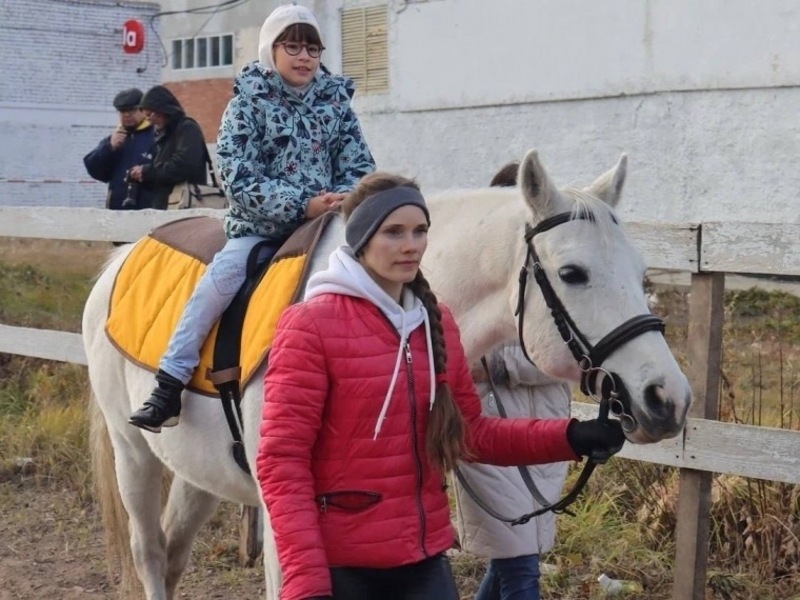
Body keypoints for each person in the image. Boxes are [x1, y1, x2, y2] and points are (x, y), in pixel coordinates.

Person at [256, 172, 626, 600]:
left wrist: (572, 437)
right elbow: (282, 463)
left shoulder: (436, 323)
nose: (411, 245)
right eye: (393, 232)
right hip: (342, 570)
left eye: (420, 231)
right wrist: (305, 581)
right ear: (360, 237)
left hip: (423, 559)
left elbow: (471, 434)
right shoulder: (309, 326)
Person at [129, 3, 376, 432]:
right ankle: (170, 383)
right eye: (293, 46)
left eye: (312, 49)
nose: (304, 58)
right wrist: (302, 204)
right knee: (219, 282)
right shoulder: (247, 105)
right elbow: (238, 176)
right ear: (271, 49)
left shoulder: (337, 105)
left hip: (327, 224)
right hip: (260, 230)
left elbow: (359, 166)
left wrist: (343, 198)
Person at [452, 160, 570, 600]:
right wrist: (502, 368)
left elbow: (566, 358)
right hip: (489, 427)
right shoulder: (478, 278)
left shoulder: (552, 273)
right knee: (521, 567)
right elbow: (465, 356)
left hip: (545, 428)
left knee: (518, 557)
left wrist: (502, 367)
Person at [124, 85, 208, 210]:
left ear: (161, 110)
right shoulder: (165, 135)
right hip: (168, 206)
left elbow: (183, 166)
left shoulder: (187, 128)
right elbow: (163, 176)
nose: (149, 121)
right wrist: (142, 176)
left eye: (149, 115)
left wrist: (147, 171)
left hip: (185, 206)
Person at [83, 88, 156, 210]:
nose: (127, 115)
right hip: (117, 208)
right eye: (122, 111)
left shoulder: (156, 136)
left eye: (131, 110)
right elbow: (95, 170)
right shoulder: (115, 139)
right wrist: (109, 147)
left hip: (148, 207)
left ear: (143, 110)